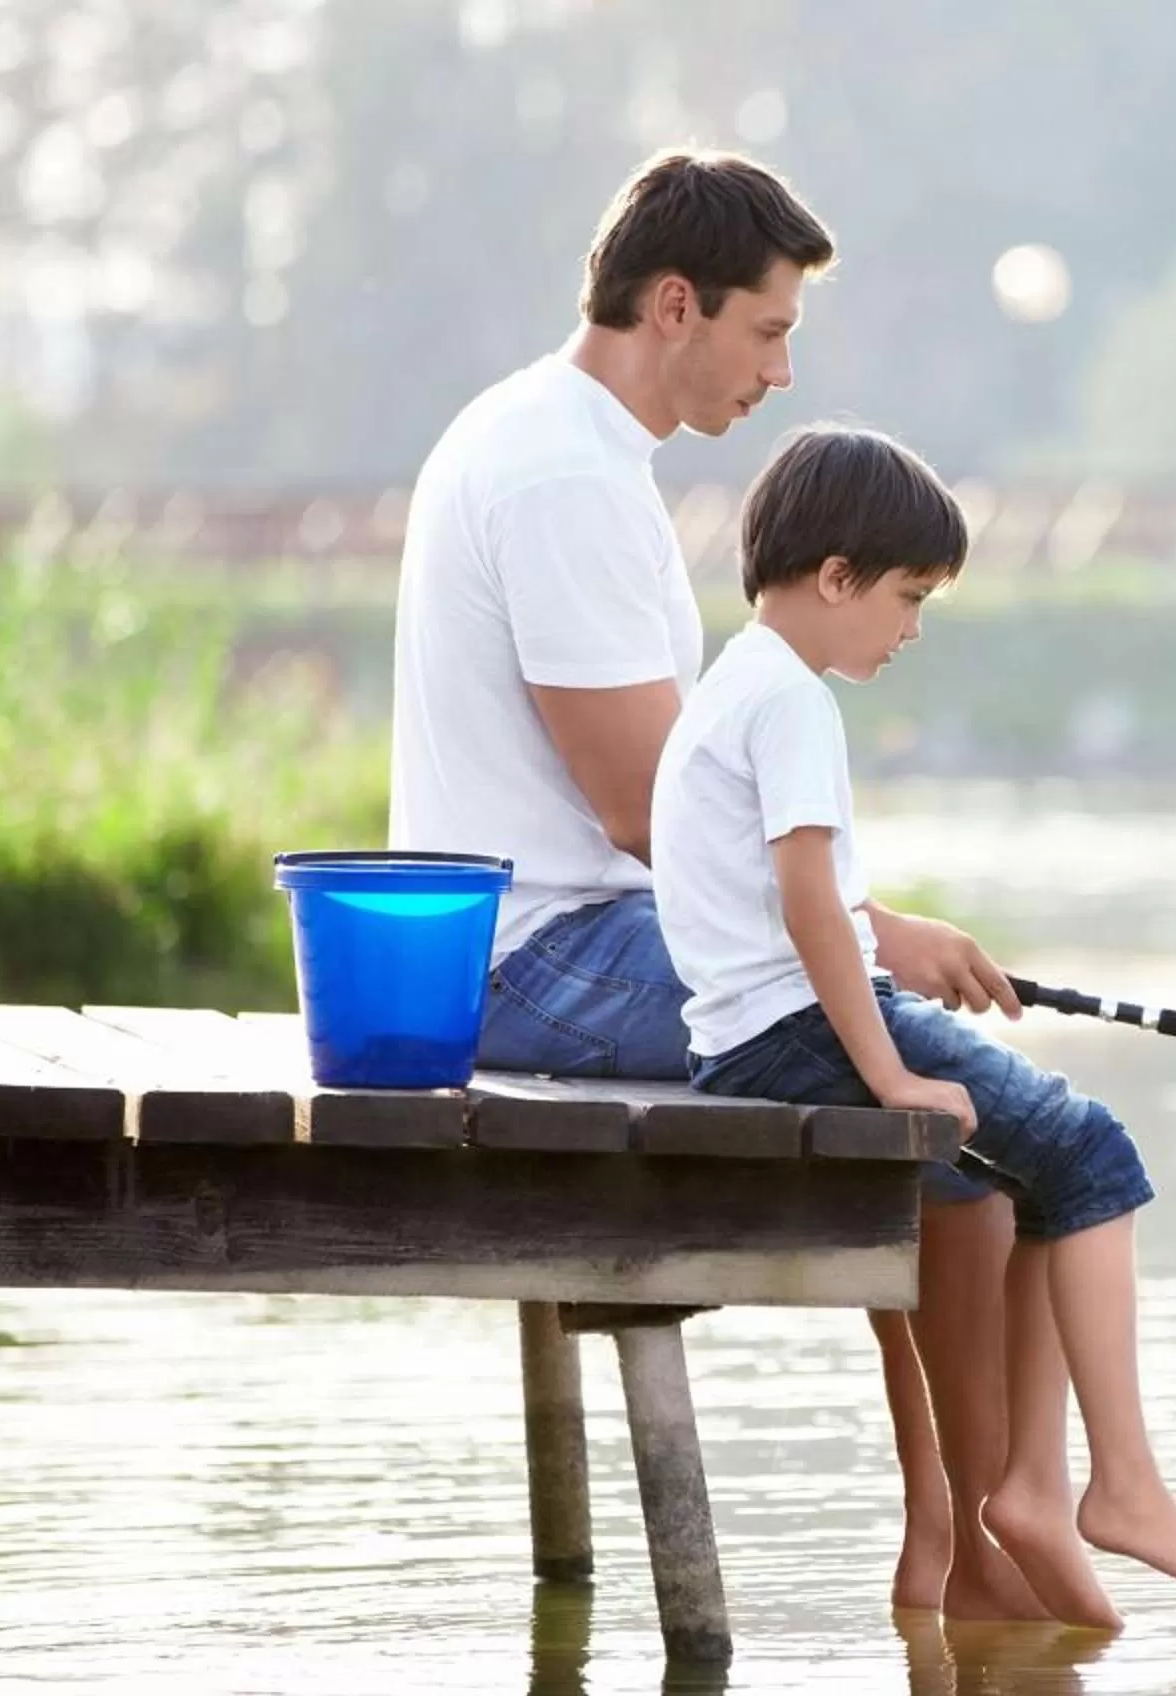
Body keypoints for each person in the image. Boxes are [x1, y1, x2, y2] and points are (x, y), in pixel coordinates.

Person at [385, 149, 1036, 1619]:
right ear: (673, 304)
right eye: (768, 328)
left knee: (923, 1078)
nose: (784, 370)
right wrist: (869, 936)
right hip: (538, 957)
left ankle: (958, 1524)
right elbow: (644, 812)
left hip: (556, 932)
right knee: (947, 1100)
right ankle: (969, 1538)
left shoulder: (555, 440)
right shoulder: (562, 472)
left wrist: (862, 944)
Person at [654, 424, 1176, 1625]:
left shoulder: (734, 684)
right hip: (803, 1034)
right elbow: (809, 905)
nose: (911, 628)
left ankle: (1036, 1490)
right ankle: (1118, 1483)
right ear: (835, 576)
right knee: (1096, 1151)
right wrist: (886, 1070)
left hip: (748, 1035)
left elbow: (796, 907)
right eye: (907, 597)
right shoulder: (791, 705)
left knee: (1049, 1173)